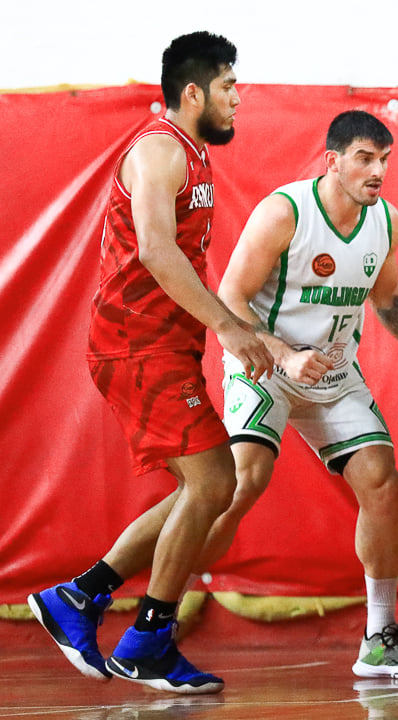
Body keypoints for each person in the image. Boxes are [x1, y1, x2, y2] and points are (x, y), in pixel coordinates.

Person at [195, 110, 398, 679]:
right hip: (264, 361)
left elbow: (389, 300)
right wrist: (283, 355)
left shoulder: (385, 222)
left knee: (382, 481)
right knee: (241, 482)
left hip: (332, 372)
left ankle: (378, 641)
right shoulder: (286, 211)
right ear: (333, 161)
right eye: (365, 159)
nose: (378, 171)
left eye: (385, 160)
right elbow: (229, 297)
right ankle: (156, 607)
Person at [27, 32, 273, 695]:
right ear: (193, 92)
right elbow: (159, 252)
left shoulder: (190, 154)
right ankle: (147, 640)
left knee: (206, 486)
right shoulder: (159, 151)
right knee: (215, 484)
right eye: (227, 87)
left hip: (164, 345)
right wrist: (229, 324)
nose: (236, 99)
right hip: (136, 345)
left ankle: (80, 597)